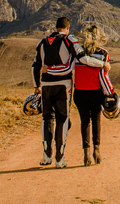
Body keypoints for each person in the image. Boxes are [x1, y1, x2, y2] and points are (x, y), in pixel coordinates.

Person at [32, 16, 108, 168]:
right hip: (63, 85)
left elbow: (35, 65)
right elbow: (84, 59)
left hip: (45, 85)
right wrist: (102, 64)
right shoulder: (70, 40)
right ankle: (59, 159)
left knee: (47, 118)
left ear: (56, 27)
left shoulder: (42, 42)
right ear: (67, 28)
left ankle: (47, 156)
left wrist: (36, 86)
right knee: (62, 119)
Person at [74, 23, 116, 166]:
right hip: (96, 91)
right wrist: (110, 91)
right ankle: (96, 150)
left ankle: (86, 153)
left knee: (85, 121)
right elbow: (104, 74)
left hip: (80, 91)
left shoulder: (78, 52)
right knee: (96, 120)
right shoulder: (103, 53)